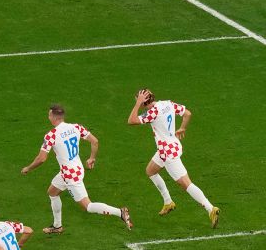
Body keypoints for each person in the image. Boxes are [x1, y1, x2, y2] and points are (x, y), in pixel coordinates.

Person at [22, 104, 132, 233]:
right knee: (52, 192)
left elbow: (42, 158)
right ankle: (57, 226)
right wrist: (92, 158)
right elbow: (94, 141)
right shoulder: (76, 127)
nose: (48, 117)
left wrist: (28, 168)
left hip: (70, 175)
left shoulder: (51, 135)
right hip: (76, 168)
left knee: (88, 206)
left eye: (49, 115)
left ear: (53, 117)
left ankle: (120, 212)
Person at [127, 88, 219, 226]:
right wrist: (183, 128)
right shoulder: (167, 104)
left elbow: (131, 120)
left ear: (144, 102)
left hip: (167, 153)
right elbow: (187, 114)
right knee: (150, 171)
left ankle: (210, 208)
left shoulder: (153, 113)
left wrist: (137, 103)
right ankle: (168, 202)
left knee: (186, 184)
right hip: (173, 145)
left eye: (139, 101)